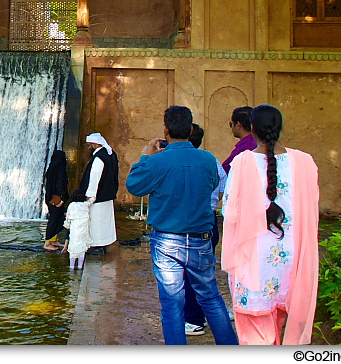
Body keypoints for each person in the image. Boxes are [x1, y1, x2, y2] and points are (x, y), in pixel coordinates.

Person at [126, 106, 238, 345]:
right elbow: (213, 184)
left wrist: (146, 156)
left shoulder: (157, 162)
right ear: (190, 129)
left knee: (172, 304)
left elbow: (134, 186)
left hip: (167, 240)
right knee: (211, 297)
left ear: (165, 130)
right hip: (201, 237)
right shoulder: (208, 159)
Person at [221, 105, 319, 345]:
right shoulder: (304, 162)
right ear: (280, 128)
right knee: (279, 316)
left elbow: (229, 211)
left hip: (254, 256)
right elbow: (312, 206)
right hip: (291, 256)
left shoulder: (243, 162)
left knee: (256, 331)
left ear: (251, 129)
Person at [182, 123, 229, 336]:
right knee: (205, 273)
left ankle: (193, 319)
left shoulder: (177, 162)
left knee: (187, 274)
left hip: (188, 223)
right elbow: (222, 191)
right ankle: (210, 318)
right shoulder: (212, 161)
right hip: (209, 220)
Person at [77, 133, 118, 254]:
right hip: (108, 195)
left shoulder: (99, 157)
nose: (89, 147)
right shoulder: (110, 154)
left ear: (95, 144)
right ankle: (104, 244)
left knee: (96, 223)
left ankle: (97, 245)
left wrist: (90, 196)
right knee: (105, 223)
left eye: (90, 145)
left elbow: (95, 176)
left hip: (98, 197)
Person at [43, 149, 69, 251]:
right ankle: (47, 243)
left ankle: (54, 240)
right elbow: (60, 184)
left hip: (49, 197)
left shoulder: (51, 168)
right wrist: (62, 198)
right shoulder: (60, 169)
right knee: (55, 220)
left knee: (56, 218)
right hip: (57, 198)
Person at [222, 106, 258, 175]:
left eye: (231, 124)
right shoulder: (258, 143)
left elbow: (225, 171)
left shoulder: (244, 148)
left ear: (238, 125)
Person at [62, 188, 92, 270]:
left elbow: (68, 218)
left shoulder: (71, 206)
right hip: (84, 231)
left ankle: (72, 266)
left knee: (73, 248)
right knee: (82, 249)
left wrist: (67, 226)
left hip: (75, 230)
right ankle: (80, 266)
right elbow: (92, 200)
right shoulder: (85, 205)